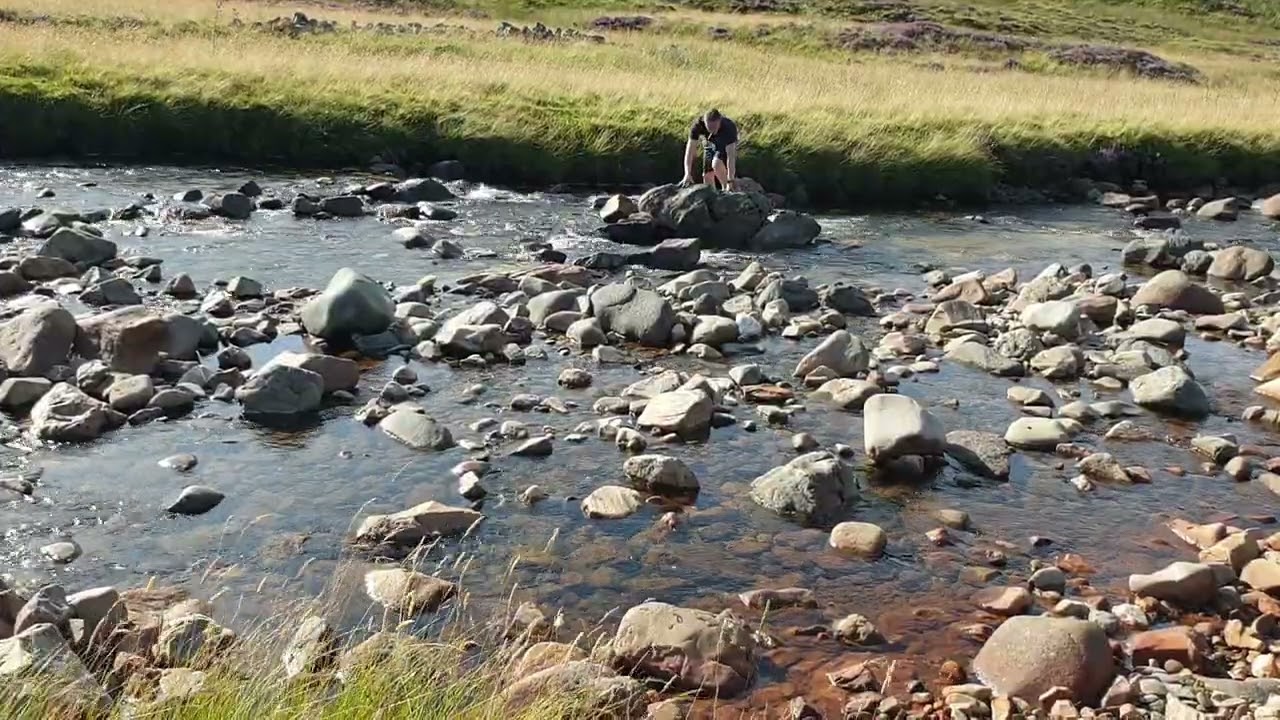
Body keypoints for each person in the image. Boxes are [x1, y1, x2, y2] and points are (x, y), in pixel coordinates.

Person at [681, 108, 738, 191]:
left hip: (725, 145)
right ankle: (712, 196)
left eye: (715, 127)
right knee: (707, 175)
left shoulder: (729, 128)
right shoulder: (698, 125)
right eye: (709, 127)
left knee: (716, 164)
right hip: (710, 143)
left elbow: (731, 156)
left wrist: (730, 180)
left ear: (719, 121)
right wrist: (687, 173)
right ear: (704, 122)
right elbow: (690, 150)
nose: (712, 130)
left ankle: (726, 189)